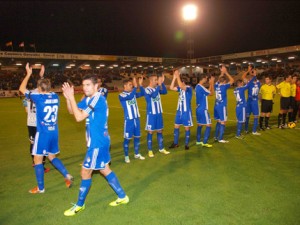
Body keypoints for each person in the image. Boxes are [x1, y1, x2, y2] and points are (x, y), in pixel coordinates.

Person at [62, 75, 129, 216]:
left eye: (88, 85)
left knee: (85, 172)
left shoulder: (98, 98)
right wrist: (68, 99)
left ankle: (80, 205)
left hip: (97, 143)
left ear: (95, 86)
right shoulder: (88, 99)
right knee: (105, 169)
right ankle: (123, 196)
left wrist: (72, 98)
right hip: (100, 141)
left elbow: (79, 117)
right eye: (83, 85)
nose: (85, 87)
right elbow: (71, 111)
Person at [19, 63, 73, 194]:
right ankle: (67, 175)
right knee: (52, 156)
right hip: (54, 131)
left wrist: (29, 74)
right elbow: (45, 86)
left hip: (43, 133)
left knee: (37, 159)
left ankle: (41, 188)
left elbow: (22, 89)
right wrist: (42, 76)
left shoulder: (38, 97)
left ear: (39, 89)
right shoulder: (55, 96)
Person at [119, 77, 145, 163]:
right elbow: (130, 97)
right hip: (129, 120)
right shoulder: (122, 95)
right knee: (127, 139)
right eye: (130, 85)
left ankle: (136, 154)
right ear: (125, 86)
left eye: (131, 85)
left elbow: (143, 93)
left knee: (137, 137)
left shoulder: (133, 93)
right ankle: (126, 156)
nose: (131, 86)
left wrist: (140, 85)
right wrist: (135, 86)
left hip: (136, 119)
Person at [144, 74, 170, 157]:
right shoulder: (147, 90)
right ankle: (150, 150)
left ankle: (161, 148)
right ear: (151, 80)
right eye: (155, 80)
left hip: (159, 113)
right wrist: (159, 85)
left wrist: (162, 83)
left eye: (157, 80)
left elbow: (165, 92)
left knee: (160, 130)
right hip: (151, 114)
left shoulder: (157, 88)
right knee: (150, 131)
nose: (156, 81)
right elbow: (154, 95)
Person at [169, 70, 193, 150]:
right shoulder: (180, 89)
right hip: (179, 111)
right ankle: (175, 143)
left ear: (184, 83)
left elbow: (181, 86)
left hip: (186, 112)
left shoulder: (189, 88)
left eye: (181, 83)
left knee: (186, 128)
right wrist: (174, 78)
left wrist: (178, 77)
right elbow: (171, 87)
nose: (180, 85)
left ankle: (186, 144)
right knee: (176, 127)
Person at [214, 65, 234, 143]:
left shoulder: (216, 85)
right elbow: (232, 80)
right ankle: (221, 138)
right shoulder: (224, 86)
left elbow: (219, 79)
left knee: (218, 121)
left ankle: (216, 136)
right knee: (223, 122)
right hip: (222, 106)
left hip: (216, 106)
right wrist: (226, 72)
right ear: (224, 81)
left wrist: (222, 72)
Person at [195, 73, 215, 147]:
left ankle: (198, 140)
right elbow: (211, 93)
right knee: (209, 125)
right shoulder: (201, 87)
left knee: (200, 124)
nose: (206, 79)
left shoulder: (197, 86)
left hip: (198, 108)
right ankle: (205, 142)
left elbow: (206, 93)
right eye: (206, 78)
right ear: (203, 78)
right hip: (203, 109)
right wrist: (212, 84)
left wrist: (209, 85)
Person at [242, 65, 261, 135]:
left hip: (255, 101)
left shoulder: (258, 82)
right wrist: (248, 71)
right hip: (249, 101)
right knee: (247, 116)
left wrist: (253, 73)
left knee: (256, 116)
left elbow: (254, 78)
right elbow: (243, 77)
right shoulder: (249, 83)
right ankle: (246, 129)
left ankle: (254, 131)